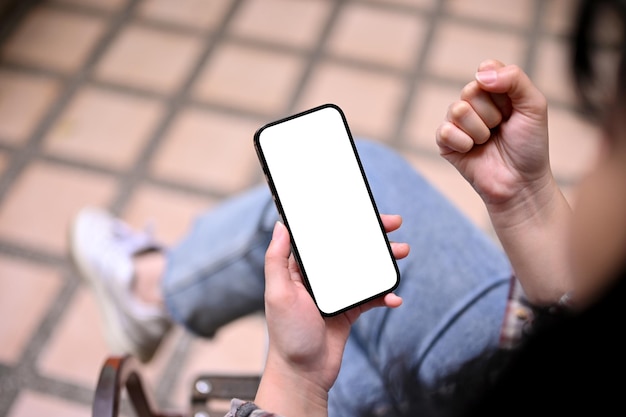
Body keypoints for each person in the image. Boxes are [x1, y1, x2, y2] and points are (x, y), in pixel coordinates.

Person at [70, 0, 626, 415]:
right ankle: (157, 288)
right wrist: (523, 198)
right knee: (345, 209)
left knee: (298, 226)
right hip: (508, 341)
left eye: (614, 135)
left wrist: (296, 377)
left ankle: (154, 288)